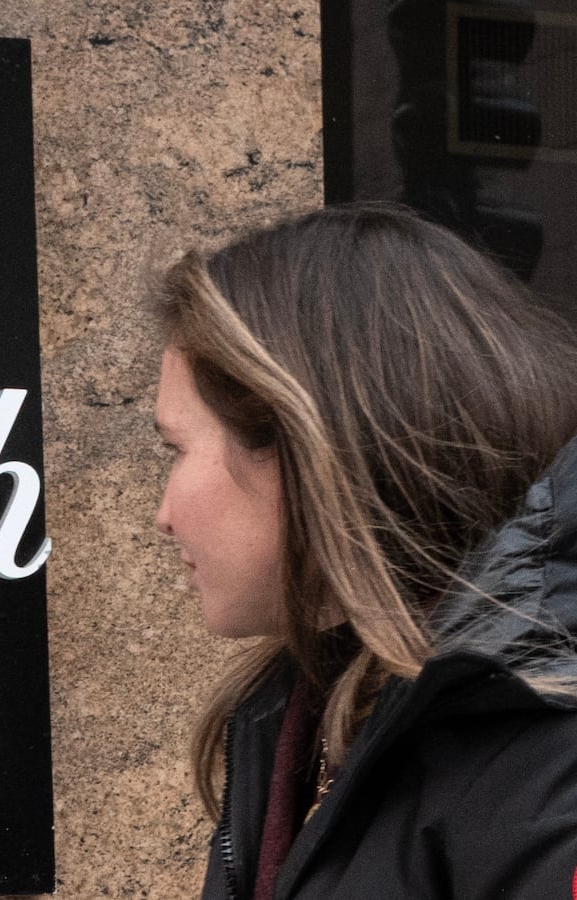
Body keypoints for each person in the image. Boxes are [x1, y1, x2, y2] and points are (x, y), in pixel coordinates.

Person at [151, 203, 577, 898]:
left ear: (304, 450)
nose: (164, 516)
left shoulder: (545, 769)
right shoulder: (312, 706)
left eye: (175, 449)